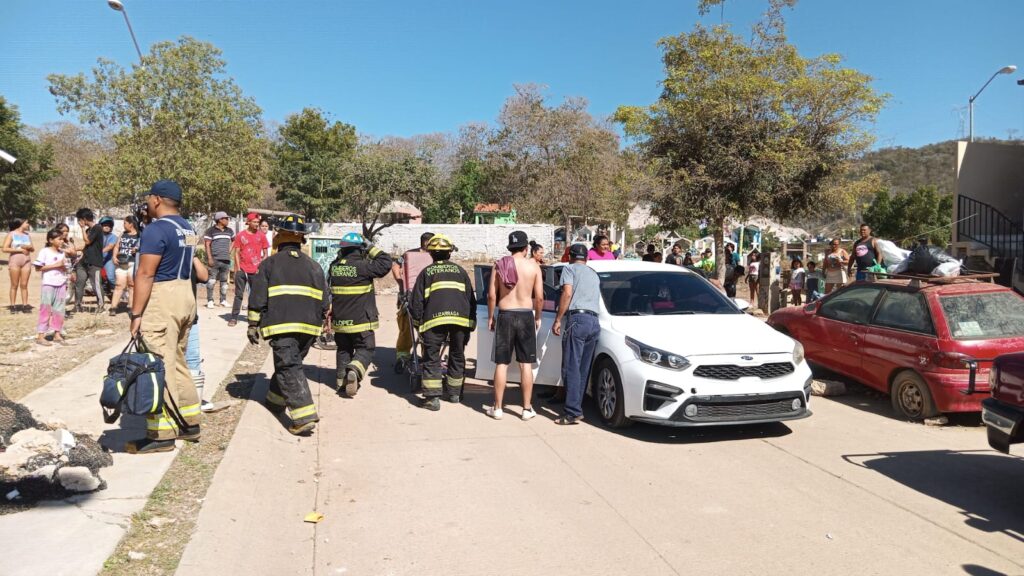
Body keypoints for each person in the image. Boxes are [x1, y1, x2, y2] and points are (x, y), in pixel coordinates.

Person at [126, 180, 201, 454]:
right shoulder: (188, 227)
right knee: (178, 361)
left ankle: (161, 434)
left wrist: (136, 314)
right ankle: (190, 422)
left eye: (148, 199)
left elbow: (145, 273)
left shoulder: (156, 229)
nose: (146, 203)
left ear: (157, 199)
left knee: (158, 365)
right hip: (185, 296)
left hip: (163, 296)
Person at [247, 214, 329, 435]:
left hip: (282, 326)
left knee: (288, 366)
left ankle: (303, 416)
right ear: (301, 239)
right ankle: (274, 401)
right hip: (309, 329)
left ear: (279, 237)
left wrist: (252, 324)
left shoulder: (269, 264)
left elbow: (258, 298)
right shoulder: (315, 267)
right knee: (290, 364)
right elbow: (325, 302)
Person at [409, 234, 476, 411]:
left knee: (432, 357)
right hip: (460, 321)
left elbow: (416, 302)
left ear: (431, 254)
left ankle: (432, 398)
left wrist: (417, 322)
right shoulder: (461, 271)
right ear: (449, 254)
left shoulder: (426, 273)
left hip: (433, 322)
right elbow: (471, 299)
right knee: (457, 354)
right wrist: (471, 322)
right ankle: (454, 394)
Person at [486, 231, 543, 420]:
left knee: (501, 363)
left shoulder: (499, 265)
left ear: (509, 247)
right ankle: (526, 409)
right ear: (526, 248)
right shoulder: (533, 266)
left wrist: (490, 316)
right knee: (525, 364)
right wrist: (538, 317)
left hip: (505, 314)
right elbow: (540, 297)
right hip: (526, 315)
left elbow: (491, 296)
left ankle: (498, 408)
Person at [328, 232, 392, 397]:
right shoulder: (364, 267)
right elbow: (385, 262)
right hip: (361, 320)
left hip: (340, 320)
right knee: (366, 348)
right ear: (360, 249)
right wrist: (370, 247)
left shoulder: (334, 267)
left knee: (343, 349)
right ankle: (355, 370)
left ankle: (341, 383)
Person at [551, 244, 601, 425]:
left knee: (571, 367)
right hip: (594, 322)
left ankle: (572, 412)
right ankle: (576, 407)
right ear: (586, 258)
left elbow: (567, 293)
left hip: (577, 320)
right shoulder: (594, 273)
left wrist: (558, 319)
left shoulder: (569, 269)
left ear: (570, 256)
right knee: (583, 369)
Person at [392, 232, 434, 371]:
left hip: (421, 297)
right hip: (411, 298)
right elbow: (395, 266)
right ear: (425, 242)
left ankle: (420, 356)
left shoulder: (433, 255)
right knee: (408, 328)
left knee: (422, 330)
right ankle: (404, 357)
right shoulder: (410, 254)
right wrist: (401, 282)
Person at [228, 213, 269, 327]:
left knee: (255, 296)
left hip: (256, 271)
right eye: (254, 222)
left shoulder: (261, 236)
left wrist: (260, 267)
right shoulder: (241, 235)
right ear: (248, 222)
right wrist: (238, 268)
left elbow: (265, 254)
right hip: (242, 270)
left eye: (258, 222)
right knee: (239, 295)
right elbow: (236, 252)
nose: (257, 224)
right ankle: (233, 317)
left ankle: (254, 320)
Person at [32, 229, 68, 346]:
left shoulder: (62, 252)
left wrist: (65, 268)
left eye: (63, 239)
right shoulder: (45, 251)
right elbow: (38, 268)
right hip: (48, 283)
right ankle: (41, 335)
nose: (62, 241)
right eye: (59, 239)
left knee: (59, 310)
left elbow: (65, 266)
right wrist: (56, 265)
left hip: (61, 282)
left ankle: (57, 334)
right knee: (45, 309)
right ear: (51, 240)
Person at [74, 208, 106, 313]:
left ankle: (101, 306)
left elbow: (87, 241)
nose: (79, 222)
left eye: (80, 220)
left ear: (84, 219)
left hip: (95, 262)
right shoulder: (89, 230)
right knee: (79, 283)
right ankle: (77, 305)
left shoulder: (97, 228)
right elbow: (87, 246)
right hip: (84, 261)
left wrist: (82, 228)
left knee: (96, 284)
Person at [203, 211, 235, 309]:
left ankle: (223, 300)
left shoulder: (229, 231)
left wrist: (229, 251)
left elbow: (234, 240)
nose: (227, 220)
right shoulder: (210, 231)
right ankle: (210, 300)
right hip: (214, 259)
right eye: (226, 218)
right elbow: (207, 245)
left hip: (226, 260)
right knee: (212, 281)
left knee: (224, 282)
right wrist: (210, 258)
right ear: (220, 220)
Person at [110, 215, 141, 315]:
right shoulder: (123, 234)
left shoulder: (139, 235)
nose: (123, 225)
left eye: (125, 223)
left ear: (131, 224)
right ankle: (113, 307)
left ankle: (131, 307)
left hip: (132, 262)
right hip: (121, 263)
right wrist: (114, 256)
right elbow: (116, 246)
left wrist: (137, 250)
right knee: (119, 285)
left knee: (132, 285)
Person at [4, 219, 34, 313]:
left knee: (24, 285)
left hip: (26, 261)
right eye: (26, 223)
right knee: (14, 284)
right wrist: (20, 250)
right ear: (21, 224)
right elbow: (5, 248)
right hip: (15, 261)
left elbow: (32, 248)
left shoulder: (27, 235)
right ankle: (13, 306)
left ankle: (25, 305)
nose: (28, 224)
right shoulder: (11, 234)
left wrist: (28, 247)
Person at [99, 217, 118, 292]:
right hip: (97, 259)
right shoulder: (97, 235)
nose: (107, 227)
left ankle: (118, 290)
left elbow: (110, 246)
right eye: (105, 225)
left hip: (108, 260)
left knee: (111, 278)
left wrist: (98, 252)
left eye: (109, 225)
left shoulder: (113, 237)